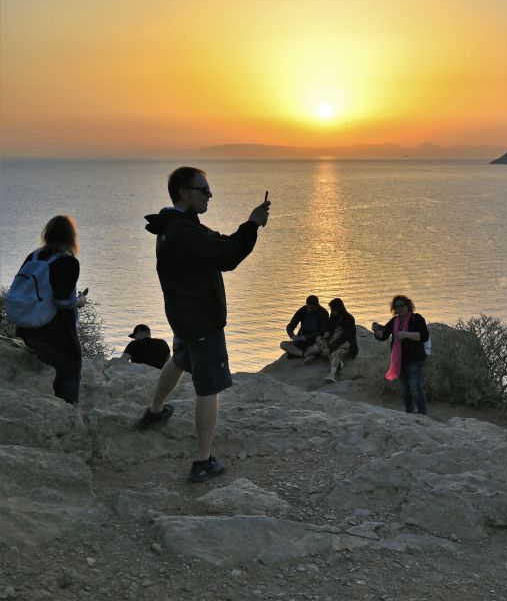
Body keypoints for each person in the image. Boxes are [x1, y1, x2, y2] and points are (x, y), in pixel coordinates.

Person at [133, 166, 270, 483]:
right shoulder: (182, 230)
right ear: (184, 193)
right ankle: (202, 461)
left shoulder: (172, 225)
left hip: (182, 316)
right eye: (203, 189)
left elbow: (214, 243)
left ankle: (155, 412)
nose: (210, 194)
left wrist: (248, 226)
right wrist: (251, 225)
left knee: (180, 359)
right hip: (201, 320)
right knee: (209, 387)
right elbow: (226, 256)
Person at [14, 216, 86, 405]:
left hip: (26, 331)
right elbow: (62, 301)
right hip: (55, 336)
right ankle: (68, 412)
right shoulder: (68, 262)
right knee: (72, 368)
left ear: (47, 234)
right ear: (71, 238)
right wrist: (79, 301)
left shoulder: (34, 256)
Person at [372, 295, 430, 415]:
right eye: (396, 306)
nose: (399, 308)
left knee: (415, 388)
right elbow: (383, 336)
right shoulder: (394, 321)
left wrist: (406, 334)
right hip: (400, 360)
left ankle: (422, 413)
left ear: (408, 306)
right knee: (405, 390)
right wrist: (376, 330)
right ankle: (409, 413)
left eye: (402, 305)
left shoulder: (417, 318)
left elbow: (424, 336)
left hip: (415, 359)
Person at [304, 297, 358, 383]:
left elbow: (344, 337)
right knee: (318, 339)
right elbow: (329, 325)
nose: (332, 311)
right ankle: (337, 361)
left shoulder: (349, 319)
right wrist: (327, 332)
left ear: (339, 308)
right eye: (331, 310)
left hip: (345, 344)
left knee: (334, 353)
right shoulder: (333, 316)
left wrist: (330, 348)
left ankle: (332, 375)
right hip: (332, 341)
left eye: (333, 309)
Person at [280, 295, 329, 359]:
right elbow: (290, 326)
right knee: (283, 344)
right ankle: (304, 354)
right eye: (308, 307)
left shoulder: (323, 313)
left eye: (312, 308)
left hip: (315, 340)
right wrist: (292, 335)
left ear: (317, 306)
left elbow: (322, 332)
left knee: (317, 348)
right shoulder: (302, 310)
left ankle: (300, 353)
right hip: (301, 340)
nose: (309, 309)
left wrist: (307, 337)